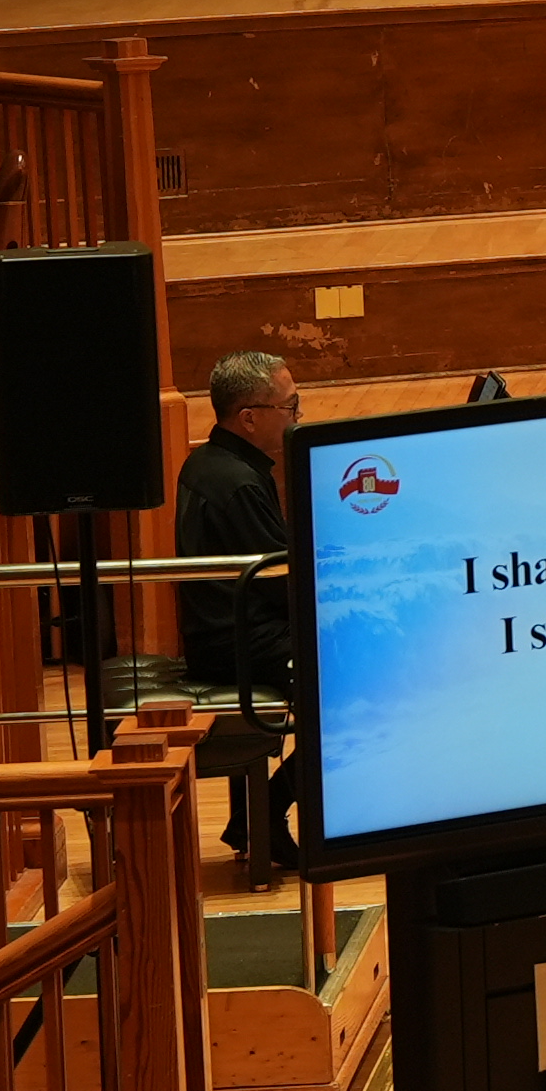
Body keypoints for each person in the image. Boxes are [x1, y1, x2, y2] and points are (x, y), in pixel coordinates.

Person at [177, 350, 301, 854]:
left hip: (232, 630)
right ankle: (265, 811)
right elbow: (281, 583)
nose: (297, 417)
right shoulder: (240, 482)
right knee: (360, 687)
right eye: (290, 407)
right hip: (242, 642)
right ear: (249, 417)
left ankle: (260, 813)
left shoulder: (212, 461)